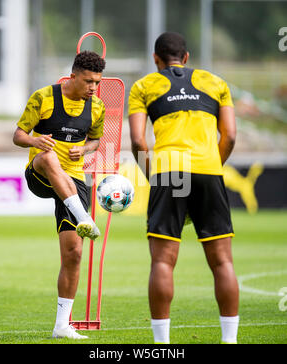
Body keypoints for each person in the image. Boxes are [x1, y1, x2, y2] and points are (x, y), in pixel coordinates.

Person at [128, 32, 239, 344]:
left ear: (156, 59)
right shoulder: (216, 82)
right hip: (208, 168)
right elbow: (229, 136)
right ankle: (229, 340)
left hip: (168, 171)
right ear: (186, 58)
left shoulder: (143, 86)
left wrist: (156, 176)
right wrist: (211, 167)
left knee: (163, 261)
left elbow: (138, 141)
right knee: (222, 262)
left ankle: (162, 344)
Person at [13, 51, 106, 339]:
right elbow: (18, 135)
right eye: (89, 81)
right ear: (73, 76)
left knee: (74, 254)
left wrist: (86, 149)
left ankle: (62, 326)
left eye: (97, 83)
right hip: (40, 174)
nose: (93, 88)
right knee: (49, 157)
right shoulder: (44, 97)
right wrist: (34, 139)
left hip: (74, 180)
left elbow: (96, 139)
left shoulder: (98, 106)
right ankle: (84, 218)